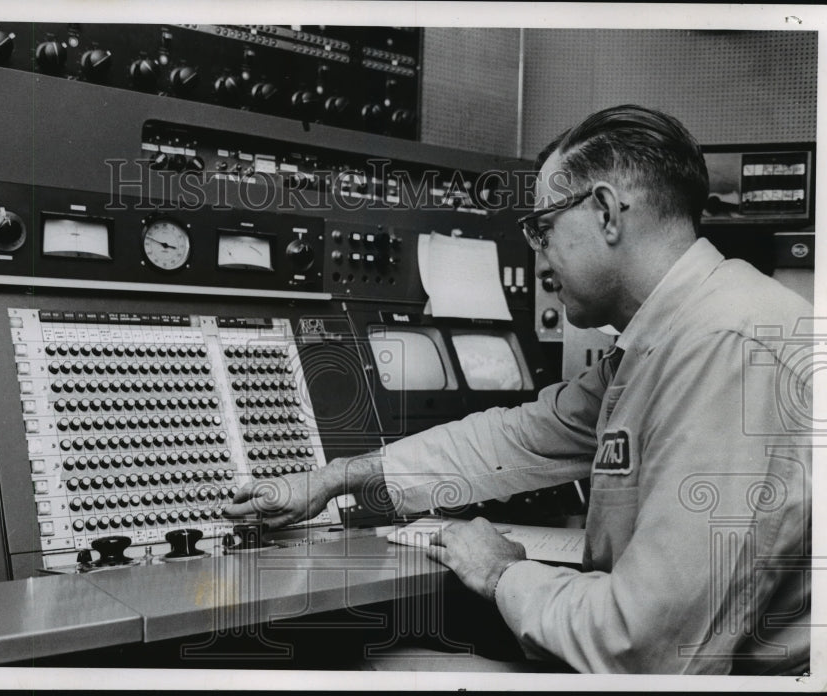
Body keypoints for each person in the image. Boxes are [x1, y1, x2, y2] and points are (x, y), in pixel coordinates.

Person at [224, 104, 813, 675]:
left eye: (543, 227)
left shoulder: (726, 348)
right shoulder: (677, 334)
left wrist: (502, 573)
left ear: (606, 212)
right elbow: (520, 437)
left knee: (367, 668)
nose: (540, 260)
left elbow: (647, 648)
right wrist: (337, 477)